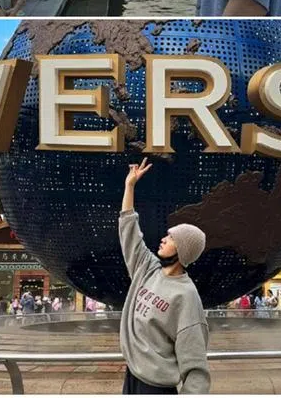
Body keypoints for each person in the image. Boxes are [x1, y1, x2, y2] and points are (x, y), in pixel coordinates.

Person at [119, 159, 210, 394]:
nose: (163, 239)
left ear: (182, 251)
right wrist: (130, 187)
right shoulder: (148, 269)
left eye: (170, 239)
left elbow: (196, 365)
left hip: (156, 387)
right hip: (132, 377)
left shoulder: (186, 295)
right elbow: (129, 230)